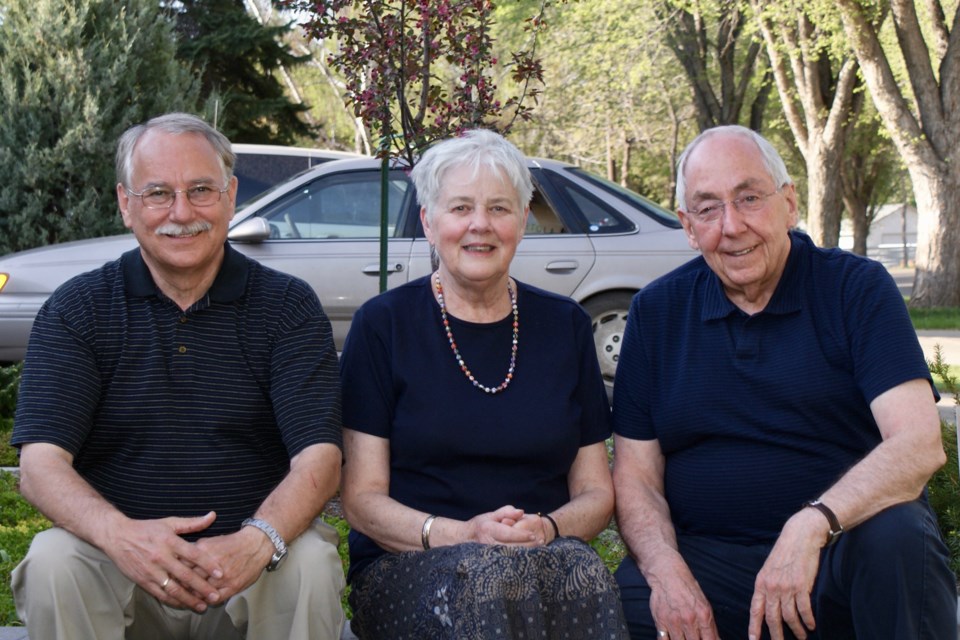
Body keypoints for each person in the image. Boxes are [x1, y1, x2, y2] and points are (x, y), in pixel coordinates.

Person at [611, 125, 957, 640]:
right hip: (712, 561)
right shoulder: (656, 312)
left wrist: (812, 524)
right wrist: (666, 571)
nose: (731, 226)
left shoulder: (856, 290)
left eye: (750, 198)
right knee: (631, 599)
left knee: (899, 537)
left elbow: (918, 444)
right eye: (707, 209)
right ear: (687, 225)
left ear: (789, 203)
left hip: (840, 547)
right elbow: (635, 476)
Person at [10, 112, 346, 639]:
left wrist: (258, 541)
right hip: (119, 569)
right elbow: (39, 465)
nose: (181, 212)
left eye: (201, 190)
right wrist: (121, 537)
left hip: (247, 573)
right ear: (126, 204)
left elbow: (321, 460)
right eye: (158, 193)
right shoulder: (79, 308)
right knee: (54, 559)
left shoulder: (287, 307)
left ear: (231, 196)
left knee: (306, 564)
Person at [338, 128, 629, 639]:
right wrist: (464, 536)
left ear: (522, 220)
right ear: (429, 223)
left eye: (499, 207)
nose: (480, 225)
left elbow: (595, 492)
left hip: (544, 553)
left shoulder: (565, 326)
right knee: (492, 578)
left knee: (581, 572)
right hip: (411, 563)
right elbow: (361, 499)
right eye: (460, 208)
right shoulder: (382, 326)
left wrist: (547, 528)